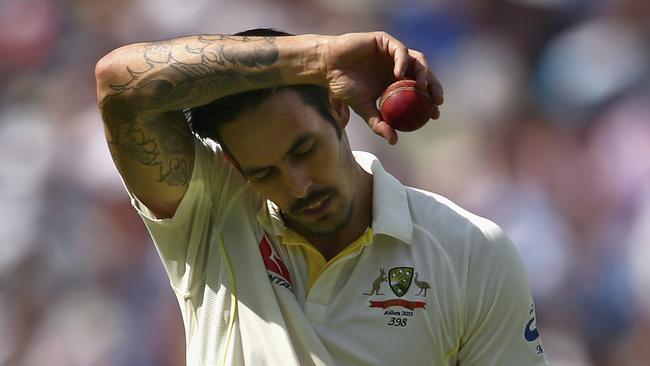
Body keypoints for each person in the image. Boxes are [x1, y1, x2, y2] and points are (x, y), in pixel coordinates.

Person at [95, 28, 548, 365]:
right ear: (233, 166)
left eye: (304, 150)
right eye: (264, 172)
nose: (299, 186)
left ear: (337, 107)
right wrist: (320, 56)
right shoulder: (210, 210)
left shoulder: (469, 251)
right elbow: (118, 83)